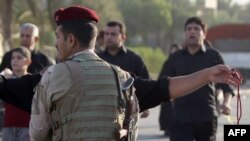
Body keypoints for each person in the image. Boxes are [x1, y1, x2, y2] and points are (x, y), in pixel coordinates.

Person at [0, 8, 239, 140]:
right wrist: (207, 75)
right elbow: (163, 89)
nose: (56, 45)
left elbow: (38, 132)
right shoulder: (121, 78)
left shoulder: (50, 76)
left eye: (58, 38)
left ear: (70, 40)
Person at [161, 17, 235, 141]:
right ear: (185, 33)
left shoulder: (213, 56)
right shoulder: (175, 58)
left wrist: (226, 103)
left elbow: (226, 84)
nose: (192, 31)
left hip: (206, 117)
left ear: (204, 34)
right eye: (189, 29)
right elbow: (163, 84)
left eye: (196, 29)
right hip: (180, 118)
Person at [98, 21, 151, 118]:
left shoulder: (134, 59)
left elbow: (146, 83)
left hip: (128, 115)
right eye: (106, 34)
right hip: (102, 112)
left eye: (113, 34)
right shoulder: (97, 58)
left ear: (123, 37)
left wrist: (145, 106)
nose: (109, 37)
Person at [2, 47, 32, 141]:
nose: (15, 60)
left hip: (27, 126)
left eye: (19, 58)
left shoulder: (31, 80)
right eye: (13, 58)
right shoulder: (6, 79)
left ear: (28, 62)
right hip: (8, 125)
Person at [159, 43, 182, 136]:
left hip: (180, 90)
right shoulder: (167, 62)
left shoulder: (182, 62)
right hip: (168, 91)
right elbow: (161, 76)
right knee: (167, 110)